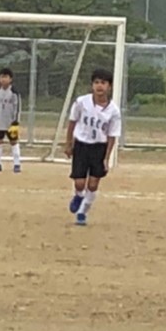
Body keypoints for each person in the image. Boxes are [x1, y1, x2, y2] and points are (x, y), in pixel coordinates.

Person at [64, 68, 122, 227]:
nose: (99, 86)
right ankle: (78, 196)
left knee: (93, 184)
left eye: (103, 83)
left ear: (109, 86)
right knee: (79, 182)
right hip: (81, 145)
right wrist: (69, 143)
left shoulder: (113, 111)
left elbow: (112, 136)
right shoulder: (82, 102)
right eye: (96, 82)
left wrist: (106, 158)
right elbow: (72, 122)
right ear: (92, 85)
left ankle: (82, 212)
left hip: (99, 148)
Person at [0, 67, 23, 173]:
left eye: (6, 77)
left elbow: (17, 108)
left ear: (10, 79)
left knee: (13, 142)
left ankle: (17, 164)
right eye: (2, 77)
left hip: (10, 123)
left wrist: (15, 123)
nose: (3, 79)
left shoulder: (14, 93)